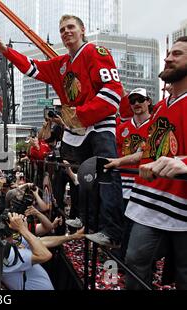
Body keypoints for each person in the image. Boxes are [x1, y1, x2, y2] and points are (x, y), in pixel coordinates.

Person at [0, 14, 124, 248]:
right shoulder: (60, 63)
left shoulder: (95, 52)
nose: (66, 32)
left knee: (106, 176)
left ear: (82, 30)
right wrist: (7, 52)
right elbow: (32, 68)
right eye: (62, 29)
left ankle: (111, 230)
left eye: (70, 27)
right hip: (78, 131)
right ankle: (88, 222)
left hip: (100, 125)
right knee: (85, 179)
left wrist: (80, 114)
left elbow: (113, 92)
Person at [106, 37, 187, 289]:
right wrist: (118, 161)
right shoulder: (162, 107)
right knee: (134, 259)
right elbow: (147, 151)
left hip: (182, 204)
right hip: (148, 200)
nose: (168, 58)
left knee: (184, 272)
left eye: (177, 54)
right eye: (168, 53)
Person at [114, 88, 153, 258]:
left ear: (148, 101)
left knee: (137, 225)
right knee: (122, 222)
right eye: (133, 100)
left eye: (140, 99)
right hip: (122, 183)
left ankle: (134, 261)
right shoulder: (122, 128)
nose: (137, 103)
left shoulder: (155, 125)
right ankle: (122, 258)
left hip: (143, 184)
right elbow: (114, 153)